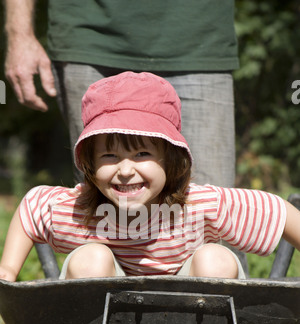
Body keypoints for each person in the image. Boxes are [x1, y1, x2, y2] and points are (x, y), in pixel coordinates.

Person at [0, 71, 299, 284]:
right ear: (90, 164)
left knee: (215, 259)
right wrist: (7, 272)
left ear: (171, 161)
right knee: (89, 259)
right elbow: (31, 208)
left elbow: (278, 212)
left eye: (142, 154)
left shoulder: (201, 204)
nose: (126, 170)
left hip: (194, 310)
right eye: (109, 156)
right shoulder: (81, 210)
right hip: (107, 314)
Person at [4, 0, 239, 187]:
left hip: (199, 35)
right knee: (100, 205)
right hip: (89, 34)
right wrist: (19, 34)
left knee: (214, 212)